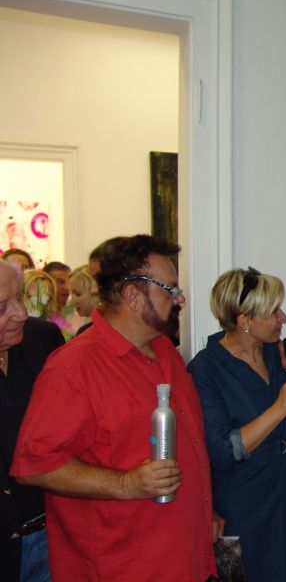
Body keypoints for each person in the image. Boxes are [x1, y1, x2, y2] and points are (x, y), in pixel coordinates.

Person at [11, 234, 218, 581]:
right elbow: (34, 466)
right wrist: (126, 483)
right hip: (120, 567)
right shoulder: (74, 367)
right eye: (169, 289)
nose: (179, 298)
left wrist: (205, 508)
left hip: (183, 561)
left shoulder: (165, 352)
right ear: (133, 295)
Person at [187, 267, 286, 582]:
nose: (283, 317)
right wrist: (281, 407)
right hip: (244, 507)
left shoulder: (271, 353)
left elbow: (266, 416)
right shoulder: (206, 370)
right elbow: (222, 451)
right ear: (245, 320)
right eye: (273, 312)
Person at [0, 260, 64, 582]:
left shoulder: (43, 339)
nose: (22, 313)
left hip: (52, 534)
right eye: (2, 308)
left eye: (19, 297)